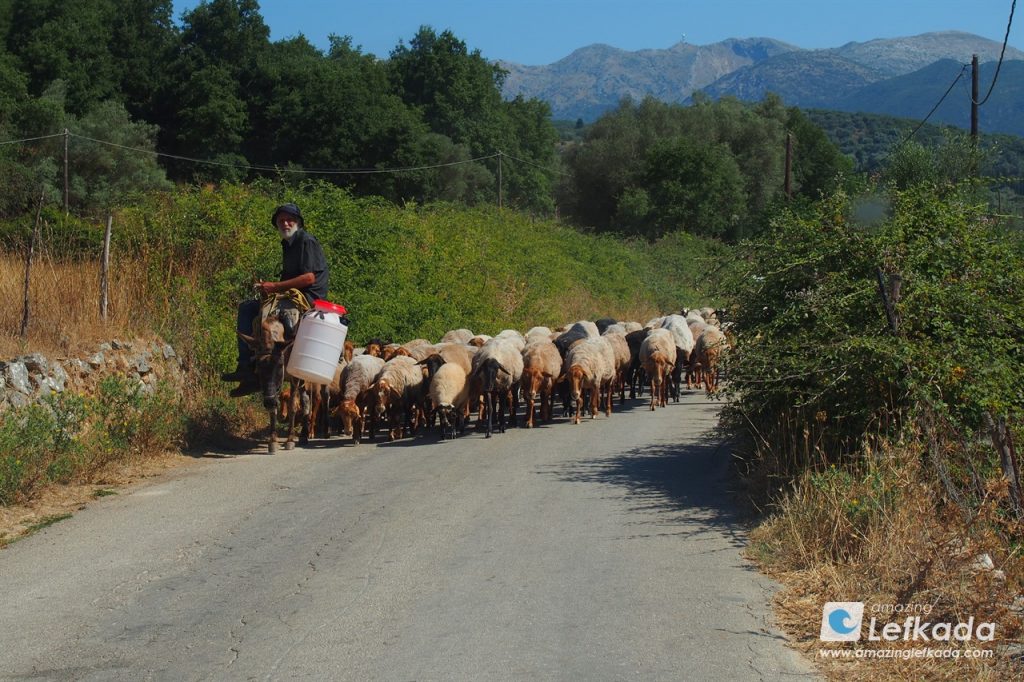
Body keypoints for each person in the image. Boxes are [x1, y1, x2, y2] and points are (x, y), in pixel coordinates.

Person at [221, 203, 330, 396]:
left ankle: (277, 363)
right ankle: (246, 367)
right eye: (281, 220)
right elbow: (288, 279)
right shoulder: (287, 244)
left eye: (290, 219)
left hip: (309, 296)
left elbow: (309, 278)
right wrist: (269, 290)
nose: (285, 223)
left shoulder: (306, 241)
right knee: (247, 309)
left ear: (298, 222)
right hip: (289, 294)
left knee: (280, 320)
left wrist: (275, 287)